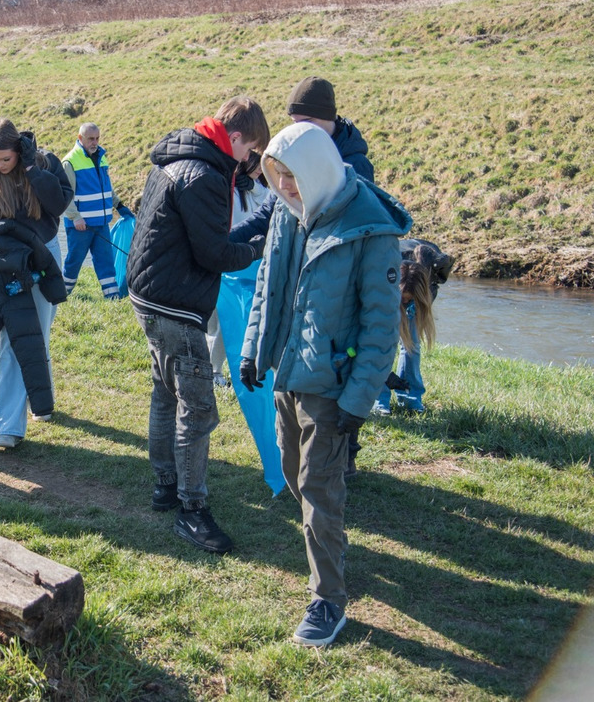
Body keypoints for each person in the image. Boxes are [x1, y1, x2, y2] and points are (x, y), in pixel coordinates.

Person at [240, 121, 411, 647]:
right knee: (294, 475)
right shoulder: (289, 215)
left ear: (317, 170)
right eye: (277, 175)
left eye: (293, 176)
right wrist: (252, 350)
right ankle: (329, 551)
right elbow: (268, 285)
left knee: (318, 487)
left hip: (332, 388)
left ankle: (328, 601)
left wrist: (359, 400)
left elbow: (381, 328)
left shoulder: (370, 231)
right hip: (289, 375)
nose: (285, 186)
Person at [126, 96, 269, 554]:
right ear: (238, 138)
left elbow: (208, 236)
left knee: (164, 394)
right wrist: (261, 249)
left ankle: (166, 485)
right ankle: (192, 510)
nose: (250, 162)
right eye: (251, 151)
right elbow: (215, 254)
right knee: (199, 408)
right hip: (176, 305)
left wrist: (254, 229)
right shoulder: (206, 175)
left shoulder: (182, 158)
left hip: (150, 295)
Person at [0, 119, 73, 448]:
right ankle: (8, 427)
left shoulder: (44, 162)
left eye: (6, 159)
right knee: (12, 340)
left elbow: (58, 204)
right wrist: (2, 262)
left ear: (19, 151)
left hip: (45, 256)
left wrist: (31, 169)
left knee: (39, 332)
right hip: (5, 262)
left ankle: (41, 399)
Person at [231, 75, 375, 243]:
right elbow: (265, 216)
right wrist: (220, 244)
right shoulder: (291, 154)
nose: (300, 129)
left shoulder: (356, 166)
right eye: (294, 122)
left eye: (307, 121)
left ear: (329, 117)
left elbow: (361, 231)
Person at [206, 148, 270, 386]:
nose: (259, 170)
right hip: (230, 261)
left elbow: (267, 205)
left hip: (251, 262)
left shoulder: (258, 190)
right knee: (219, 322)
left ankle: (228, 370)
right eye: (254, 165)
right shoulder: (229, 191)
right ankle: (213, 370)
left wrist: (252, 185)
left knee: (242, 321)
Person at [373, 245, 446, 417]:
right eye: (402, 299)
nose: (405, 302)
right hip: (387, 299)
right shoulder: (383, 283)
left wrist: (409, 304)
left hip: (415, 295)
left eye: (409, 299)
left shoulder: (425, 290)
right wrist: (386, 375)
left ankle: (410, 396)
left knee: (412, 346)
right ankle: (379, 399)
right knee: (382, 346)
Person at [60, 122, 131, 298]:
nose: (95, 142)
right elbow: (65, 195)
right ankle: (60, 296)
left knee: (106, 262)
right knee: (74, 263)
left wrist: (120, 206)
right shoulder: (70, 161)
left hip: (101, 223)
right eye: (91, 139)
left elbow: (107, 188)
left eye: (97, 138)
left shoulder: (102, 157)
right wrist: (75, 217)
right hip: (80, 226)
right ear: (80, 138)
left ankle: (112, 298)